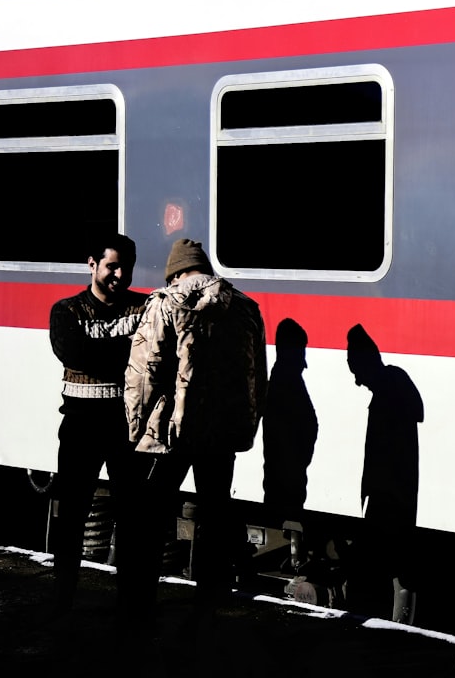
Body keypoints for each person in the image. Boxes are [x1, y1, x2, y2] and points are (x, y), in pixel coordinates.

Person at [122, 238, 267, 630]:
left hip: (170, 432)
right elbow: (259, 378)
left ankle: (140, 603)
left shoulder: (165, 303)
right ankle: (208, 600)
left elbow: (144, 374)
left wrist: (136, 430)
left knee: (151, 517)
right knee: (214, 513)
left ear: (176, 272)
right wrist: (246, 426)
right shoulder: (246, 308)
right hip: (223, 435)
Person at [45, 233, 147, 619]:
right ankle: (62, 600)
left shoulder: (144, 306)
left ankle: (130, 605)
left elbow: (157, 351)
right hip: (81, 426)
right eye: (112, 266)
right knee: (72, 513)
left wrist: (110, 354)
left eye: (126, 267)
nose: (120, 274)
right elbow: (74, 354)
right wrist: (130, 353)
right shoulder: (66, 310)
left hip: (125, 426)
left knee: (132, 517)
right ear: (92, 264)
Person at [346, 323, 423, 623]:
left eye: (355, 369)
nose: (356, 380)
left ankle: (393, 631)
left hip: (388, 496)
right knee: (397, 565)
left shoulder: (388, 392)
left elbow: (382, 451)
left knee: (393, 565)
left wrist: (374, 492)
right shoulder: (395, 386)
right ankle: (396, 625)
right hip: (393, 494)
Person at [262, 318, 319, 572]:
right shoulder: (287, 379)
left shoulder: (281, 376)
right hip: (287, 468)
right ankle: (294, 555)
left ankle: (292, 552)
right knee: (290, 511)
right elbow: (305, 423)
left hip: (285, 467)